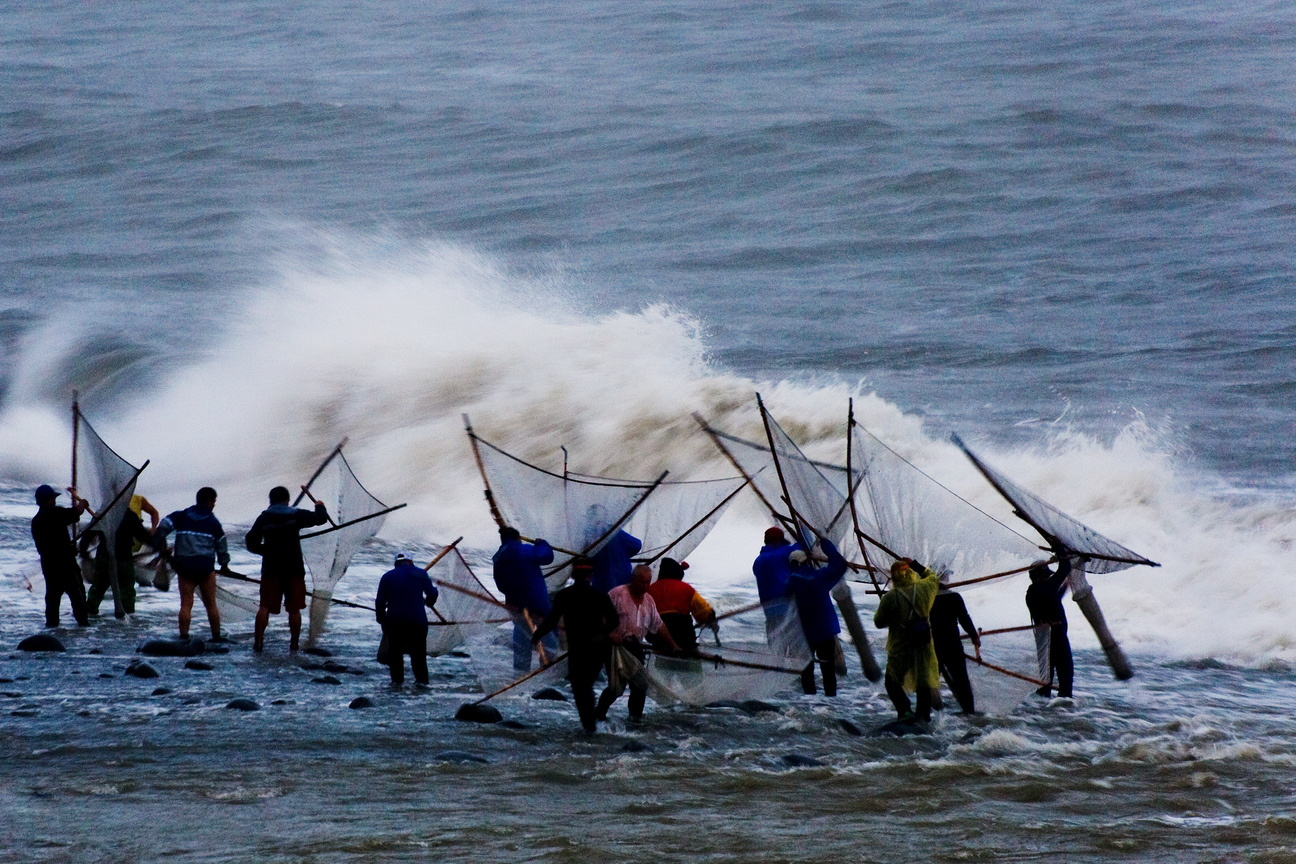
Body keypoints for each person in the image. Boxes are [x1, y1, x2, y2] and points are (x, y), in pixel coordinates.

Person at [532, 557, 620, 734]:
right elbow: (614, 620)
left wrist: (537, 635)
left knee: (580, 688)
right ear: (591, 574)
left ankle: (589, 727)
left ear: (572, 574)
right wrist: (603, 633)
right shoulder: (600, 595)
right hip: (598, 648)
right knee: (587, 685)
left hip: (578, 647)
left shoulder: (564, 595)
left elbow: (552, 620)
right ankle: (591, 726)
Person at [245, 486, 330, 652]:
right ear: (287, 500)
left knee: (265, 607)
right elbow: (321, 519)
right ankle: (294, 644)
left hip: (271, 569)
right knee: (294, 608)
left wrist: (265, 551)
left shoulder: (264, 518)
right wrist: (320, 505)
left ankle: (259, 642)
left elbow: (250, 542)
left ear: (271, 500)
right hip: (294, 569)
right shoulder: (296, 515)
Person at [596, 564, 681, 722]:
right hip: (615, 647)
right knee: (616, 689)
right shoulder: (617, 594)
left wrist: (673, 644)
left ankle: (635, 720)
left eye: (648, 582)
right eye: (642, 582)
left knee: (640, 685)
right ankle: (598, 717)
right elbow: (599, 617)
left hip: (635, 647)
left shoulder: (648, 601)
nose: (646, 586)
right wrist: (610, 632)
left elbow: (659, 625)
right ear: (633, 580)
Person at [156, 487, 229, 640]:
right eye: (214, 501)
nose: (214, 505)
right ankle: (216, 636)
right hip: (205, 567)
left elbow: (163, 526)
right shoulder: (213, 522)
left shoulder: (181, 517)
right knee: (211, 604)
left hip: (185, 567)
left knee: (186, 604)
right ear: (209, 502)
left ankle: (184, 637)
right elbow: (221, 545)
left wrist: (160, 544)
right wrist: (224, 564)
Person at [874, 558, 940, 723]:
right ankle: (923, 718)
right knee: (923, 681)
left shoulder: (890, 597)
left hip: (901, 646)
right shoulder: (925, 588)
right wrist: (915, 564)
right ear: (910, 572)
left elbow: (878, 622)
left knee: (892, 680)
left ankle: (904, 711)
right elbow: (933, 577)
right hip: (923, 643)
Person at [84, 494, 164, 618]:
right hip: (123, 558)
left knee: (98, 588)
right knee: (126, 590)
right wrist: (158, 546)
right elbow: (143, 536)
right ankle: (127, 619)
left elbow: (88, 534)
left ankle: (89, 616)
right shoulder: (129, 515)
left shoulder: (102, 513)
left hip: (104, 557)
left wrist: (84, 551)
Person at [491, 525, 557, 671]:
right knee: (549, 640)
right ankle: (548, 669)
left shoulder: (498, 558)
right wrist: (542, 544)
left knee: (522, 639)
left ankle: (521, 674)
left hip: (516, 606)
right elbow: (545, 557)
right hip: (537, 603)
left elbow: (500, 585)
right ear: (518, 538)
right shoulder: (524, 550)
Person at [787, 539, 848, 696]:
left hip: (802, 633)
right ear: (807, 561)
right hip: (824, 631)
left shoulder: (790, 583)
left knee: (806, 669)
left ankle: (810, 700)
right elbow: (840, 565)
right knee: (827, 668)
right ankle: (830, 700)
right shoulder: (820, 578)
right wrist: (827, 546)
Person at [374, 552, 439, 686]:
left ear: (396, 563)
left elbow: (380, 602)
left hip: (395, 622)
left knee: (395, 656)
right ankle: (422, 684)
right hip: (418, 622)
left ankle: (397, 684)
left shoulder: (387, 577)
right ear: (411, 561)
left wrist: (381, 619)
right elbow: (432, 593)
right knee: (418, 656)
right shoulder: (420, 573)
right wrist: (429, 603)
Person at [30, 484, 90, 628]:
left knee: (52, 598)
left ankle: (51, 628)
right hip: (65, 565)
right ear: (49, 500)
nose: (54, 501)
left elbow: (48, 545)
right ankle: (84, 627)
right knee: (77, 596)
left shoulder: (36, 521)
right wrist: (82, 503)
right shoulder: (56, 514)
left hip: (49, 565)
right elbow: (77, 512)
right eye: (53, 498)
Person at [930, 570, 980, 714]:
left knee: (929, 681)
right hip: (953, 645)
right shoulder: (954, 597)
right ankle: (969, 712)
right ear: (944, 579)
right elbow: (964, 618)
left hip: (933, 645)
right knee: (962, 681)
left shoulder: (926, 598)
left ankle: (926, 713)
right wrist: (974, 636)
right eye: (947, 576)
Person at [1026, 548, 1074, 698]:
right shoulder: (1043, 589)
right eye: (1046, 575)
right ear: (1040, 575)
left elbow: (1053, 599)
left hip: (1044, 640)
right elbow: (1065, 567)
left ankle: (1040, 712)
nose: (1048, 578)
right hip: (1055, 639)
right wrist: (1061, 550)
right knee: (1065, 677)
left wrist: (1065, 585)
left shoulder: (1035, 592)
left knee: (1045, 681)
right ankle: (1061, 710)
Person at [646, 557, 717, 657]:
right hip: (684, 638)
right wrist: (711, 618)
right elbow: (703, 613)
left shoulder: (649, 590)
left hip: (658, 639)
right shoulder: (686, 589)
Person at [752, 526, 804, 657]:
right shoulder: (785, 552)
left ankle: (778, 675)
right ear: (778, 541)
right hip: (789, 611)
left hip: (770, 613)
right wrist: (801, 535)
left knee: (777, 653)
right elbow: (800, 549)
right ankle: (797, 677)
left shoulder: (758, 562)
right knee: (796, 654)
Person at [589, 528, 642, 594]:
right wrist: (624, 554)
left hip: (602, 585)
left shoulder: (591, 536)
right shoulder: (616, 531)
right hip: (622, 581)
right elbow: (637, 545)